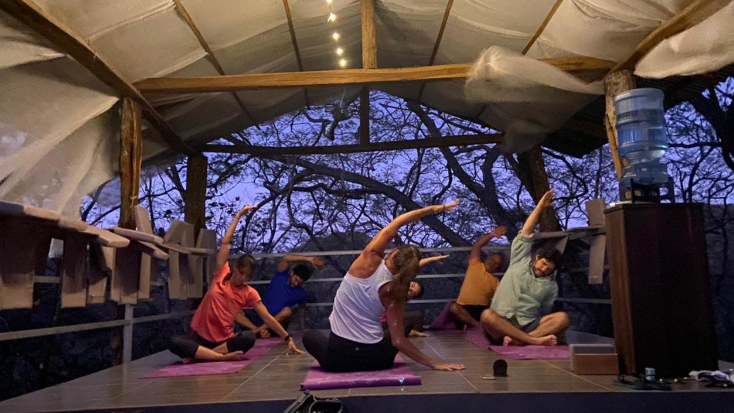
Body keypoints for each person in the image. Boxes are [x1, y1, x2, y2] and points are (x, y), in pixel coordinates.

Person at [302, 201, 465, 372]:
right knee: (403, 325)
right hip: (377, 360)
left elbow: (396, 224)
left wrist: (431, 209)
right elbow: (398, 341)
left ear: (394, 252)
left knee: (309, 335)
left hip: (338, 361)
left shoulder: (369, 259)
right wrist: (434, 363)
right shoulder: (397, 293)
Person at [168, 206, 303, 362]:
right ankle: (216, 357)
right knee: (173, 341)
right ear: (236, 269)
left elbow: (267, 318)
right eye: (241, 273)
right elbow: (225, 243)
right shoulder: (222, 273)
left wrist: (288, 338)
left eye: (248, 276)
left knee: (248, 338)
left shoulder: (249, 292)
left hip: (224, 341)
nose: (243, 278)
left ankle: (202, 356)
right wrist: (238, 216)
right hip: (200, 337)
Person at [480, 191, 569, 346]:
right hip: (502, 323)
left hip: (528, 324)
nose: (543, 269)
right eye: (543, 264)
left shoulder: (551, 286)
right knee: (487, 316)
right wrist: (541, 206)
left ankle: (520, 340)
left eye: (548, 269)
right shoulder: (519, 260)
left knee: (562, 318)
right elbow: (526, 232)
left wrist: (546, 327)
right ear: (537, 258)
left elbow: (545, 311)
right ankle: (531, 341)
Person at [237, 254, 324, 338]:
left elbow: (302, 311)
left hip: (275, 325)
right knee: (235, 311)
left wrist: (303, 329)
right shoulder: (281, 276)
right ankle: (259, 331)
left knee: (287, 311)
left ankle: (257, 331)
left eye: (300, 282)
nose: (296, 283)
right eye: (296, 279)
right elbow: (286, 258)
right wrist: (308, 259)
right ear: (292, 273)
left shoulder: (301, 293)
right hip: (260, 318)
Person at [450, 227, 507, 328]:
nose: (492, 263)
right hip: (464, 307)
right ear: (487, 257)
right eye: (491, 259)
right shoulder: (475, 264)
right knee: (454, 307)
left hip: (481, 309)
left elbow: (500, 300)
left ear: (498, 267)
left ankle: (475, 324)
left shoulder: (496, 282)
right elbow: (477, 245)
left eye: (496, 263)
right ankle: (477, 326)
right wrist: (492, 234)